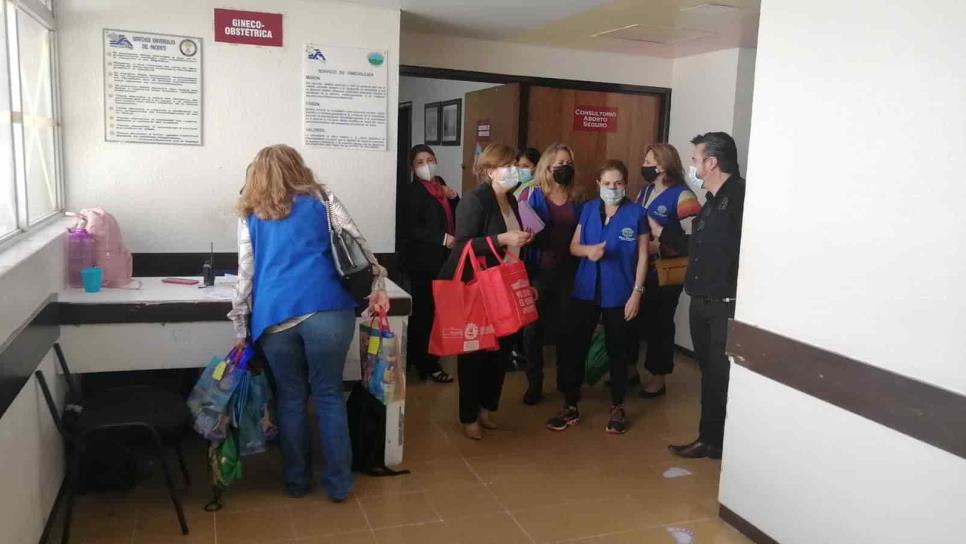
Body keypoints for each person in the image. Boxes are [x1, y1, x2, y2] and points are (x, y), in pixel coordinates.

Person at [228, 144, 389, 501]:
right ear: (298, 168)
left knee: (290, 397)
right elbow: (358, 245)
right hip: (328, 309)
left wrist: (241, 328)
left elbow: (245, 276)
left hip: (275, 317)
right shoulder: (323, 200)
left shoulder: (250, 214)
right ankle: (339, 484)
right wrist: (377, 284)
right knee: (329, 394)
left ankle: (297, 480)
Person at [650, 132, 745, 459]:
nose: (692, 166)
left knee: (721, 376)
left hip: (724, 305)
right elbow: (699, 246)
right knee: (710, 374)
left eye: (695, 159)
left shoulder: (741, 198)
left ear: (711, 162)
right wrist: (662, 234)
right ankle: (710, 439)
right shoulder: (712, 200)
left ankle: (722, 442)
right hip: (702, 301)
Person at [438, 143, 533, 440]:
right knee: (475, 352)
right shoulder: (475, 201)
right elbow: (464, 245)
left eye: (515, 165)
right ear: (491, 171)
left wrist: (519, 239)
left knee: (501, 352)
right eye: (507, 166)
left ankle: (486, 409)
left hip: (506, 283)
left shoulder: (512, 200)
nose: (514, 170)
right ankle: (469, 416)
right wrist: (503, 237)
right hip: (479, 287)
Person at [547, 159, 648, 435]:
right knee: (574, 346)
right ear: (598, 185)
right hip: (585, 290)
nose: (612, 188)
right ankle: (570, 404)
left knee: (619, 349)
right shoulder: (588, 210)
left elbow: (642, 256)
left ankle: (617, 405)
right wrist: (588, 251)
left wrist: (637, 293)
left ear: (625, 184)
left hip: (620, 292)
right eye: (607, 183)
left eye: (618, 183)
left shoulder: (636, 213)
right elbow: (574, 246)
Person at [630, 144, 702, 398]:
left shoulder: (683, 195)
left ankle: (658, 378)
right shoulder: (646, 190)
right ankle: (631, 371)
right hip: (639, 268)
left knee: (659, 324)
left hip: (665, 270)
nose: (645, 164)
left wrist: (659, 244)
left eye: (649, 160)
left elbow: (694, 238)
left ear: (662, 166)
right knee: (635, 320)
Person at [518, 143, 581, 405]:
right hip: (537, 272)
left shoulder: (578, 197)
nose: (564, 168)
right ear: (547, 167)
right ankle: (534, 382)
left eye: (568, 163)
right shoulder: (531, 195)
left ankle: (566, 383)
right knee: (533, 330)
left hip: (570, 272)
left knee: (567, 330)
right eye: (559, 164)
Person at [402, 144, 459, 383]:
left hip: (444, 259)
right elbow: (412, 227)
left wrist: (454, 197)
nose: (426, 165)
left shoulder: (440, 184)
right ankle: (426, 363)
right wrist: (442, 238)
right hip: (423, 261)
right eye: (420, 162)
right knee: (424, 312)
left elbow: (452, 214)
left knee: (436, 311)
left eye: (429, 159)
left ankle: (425, 356)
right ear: (413, 168)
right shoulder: (412, 191)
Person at [507, 146, 543, 371]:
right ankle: (515, 350)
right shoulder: (515, 188)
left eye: (526, 167)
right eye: (518, 166)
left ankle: (521, 352)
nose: (521, 171)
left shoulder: (535, 190)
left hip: (530, 252)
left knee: (525, 303)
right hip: (515, 251)